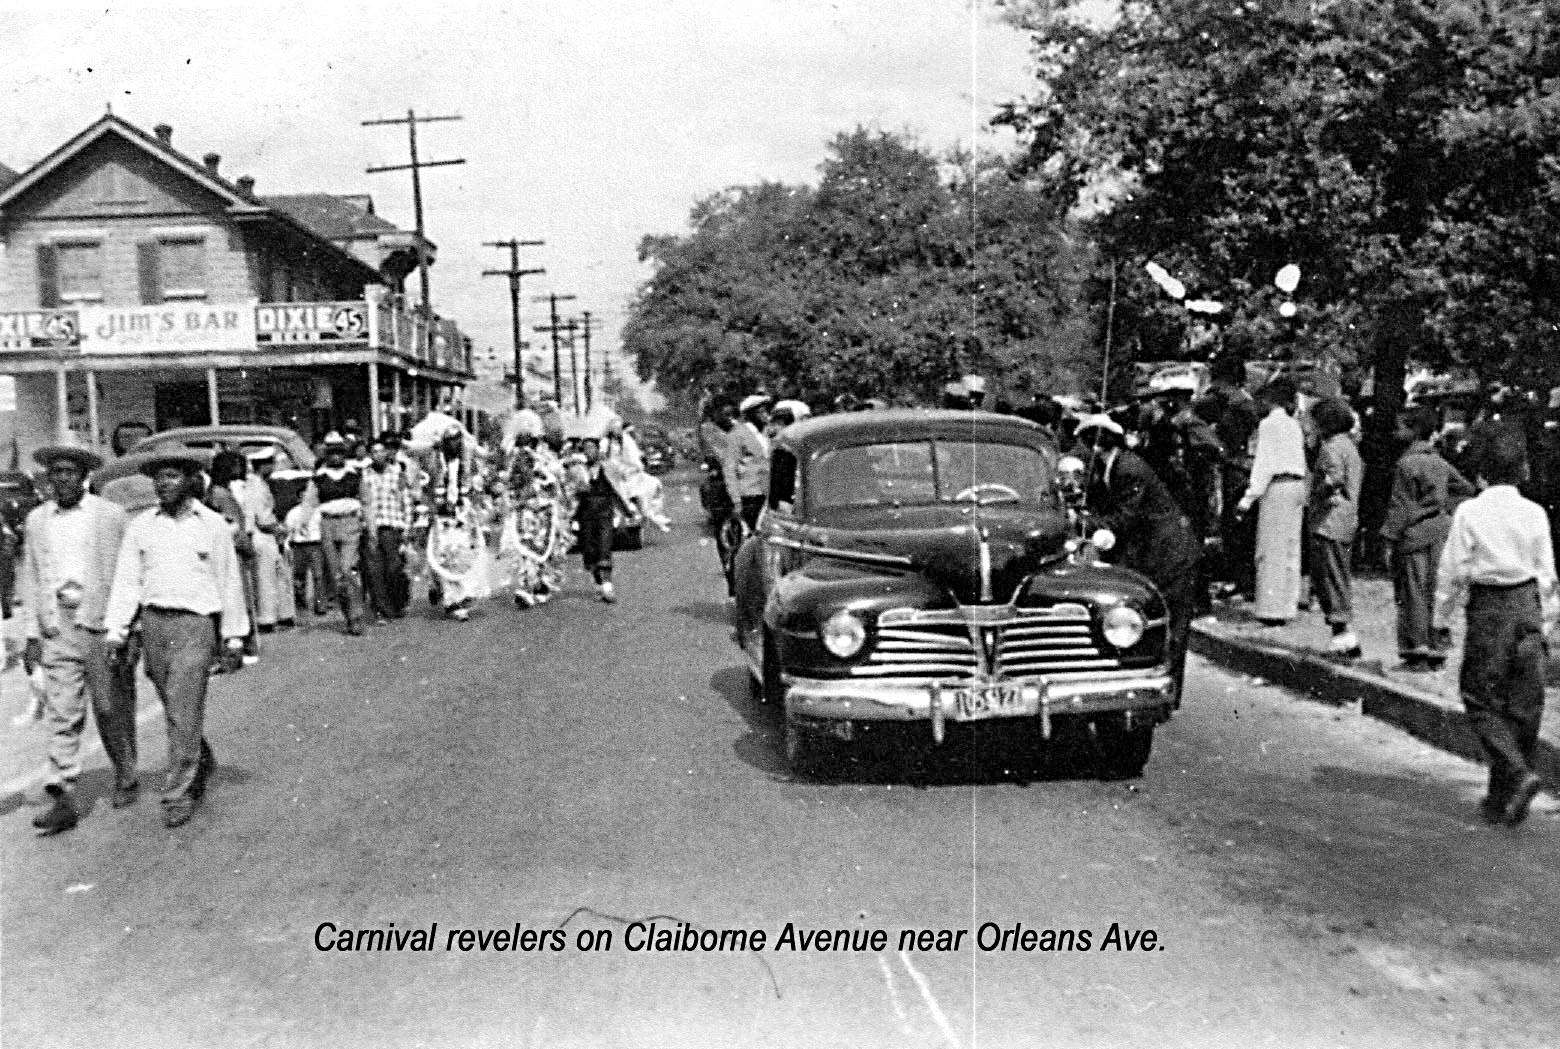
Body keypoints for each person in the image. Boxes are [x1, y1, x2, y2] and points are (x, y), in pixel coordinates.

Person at [104, 452, 249, 828]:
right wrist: (117, 629)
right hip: (154, 625)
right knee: (173, 703)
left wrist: (233, 636)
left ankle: (179, 792)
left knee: (184, 706)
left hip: (195, 625)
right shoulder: (142, 527)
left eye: (170, 476)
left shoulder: (213, 525)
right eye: (158, 478)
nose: (162, 484)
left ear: (189, 480)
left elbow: (229, 581)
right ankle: (198, 754)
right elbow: (126, 580)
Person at [1434, 434, 1558, 825]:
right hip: (1527, 606)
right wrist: (1547, 624)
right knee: (1523, 703)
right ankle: (1500, 796)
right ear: (1522, 470)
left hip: (1489, 607)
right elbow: (1547, 574)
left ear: (1482, 474)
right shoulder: (1535, 513)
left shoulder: (1470, 512)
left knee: (1482, 697)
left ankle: (1517, 775)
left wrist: (1441, 617)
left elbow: (1451, 570)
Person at [17, 445, 136, 835]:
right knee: (62, 711)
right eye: (55, 473)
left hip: (100, 623)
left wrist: (126, 626)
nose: (61, 479)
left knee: (107, 706)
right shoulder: (37, 520)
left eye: (69, 472)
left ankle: (125, 771)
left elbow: (126, 572)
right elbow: (31, 577)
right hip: (58, 625)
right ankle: (64, 791)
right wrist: (32, 635)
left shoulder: (109, 516)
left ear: (84, 475)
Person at [1077, 415, 1200, 705]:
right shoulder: (1116, 466)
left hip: (1170, 552)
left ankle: (1166, 693)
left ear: (1096, 445)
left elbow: (1125, 517)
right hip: (1159, 551)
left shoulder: (1127, 469)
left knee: (1171, 623)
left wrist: (1087, 522)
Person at [1381, 406, 1475, 668]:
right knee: (1436, 590)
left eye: (1399, 427)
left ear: (1412, 430)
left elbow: (1399, 507)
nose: (1394, 431)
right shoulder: (1440, 462)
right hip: (1441, 534)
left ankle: (1417, 647)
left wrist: (1388, 537)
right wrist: (1442, 508)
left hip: (1412, 536)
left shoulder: (1405, 463)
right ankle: (1437, 646)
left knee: (1413, 592)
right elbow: (1466, 489)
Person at [1236, 378, 1308, 624]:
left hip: (1277, 486)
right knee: (1290, 547)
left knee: (1270, 547)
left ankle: (1271, 608)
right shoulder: (1294, 425)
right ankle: (1288, 603)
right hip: (1297, 485)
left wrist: (1249, 497)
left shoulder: (1269, 425)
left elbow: (1264, 464)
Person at [1308, 397, 1365, 657]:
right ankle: (1343, 631)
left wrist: (1316, 490)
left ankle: (1342, 631)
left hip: (1329, 519)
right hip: (1347, 518)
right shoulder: (1350, 447)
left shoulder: (1330, 447)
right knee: (1339, 573)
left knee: (1329, 575)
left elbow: (1332, 480)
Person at [307, 433, 367, 635]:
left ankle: (357, 615)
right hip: (328, 525)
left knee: (347, 568)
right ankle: (349, 616)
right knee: (336, 575)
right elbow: (309, 504)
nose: (335, 458)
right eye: (331, 454)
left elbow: (367, 501)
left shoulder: (354, 475)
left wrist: (370, 525)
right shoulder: (319, 478)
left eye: (339, 453)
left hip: (350, 522)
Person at [569, 437, 632, 603]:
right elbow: (571, 492)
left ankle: (607, 584)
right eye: (586, 449)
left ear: (598, 450)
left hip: (604, 512)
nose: (589, 451)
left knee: (605, 546)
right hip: (586, 514)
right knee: (589, 549)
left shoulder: (608, 467)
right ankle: (598, 582)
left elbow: (618, 489)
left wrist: (626, 513)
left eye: (592, 448)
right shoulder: (578, 470)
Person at [361, 436, 414, 622]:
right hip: (372, 528)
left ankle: (397, 603)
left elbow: (406, 500)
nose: (378, 455)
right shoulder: (364, 475)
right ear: (370, 455)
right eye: (374, 452)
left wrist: (407, 527)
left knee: (394, 569)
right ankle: (381, 611)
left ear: (386, 453)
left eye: (381, 451)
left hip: (393, 527)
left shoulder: (397, 473)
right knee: (375, 571)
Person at [243, 447, 294, 632]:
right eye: (270, 463)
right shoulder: (255, 486)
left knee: (278, 576)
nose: (273, 466)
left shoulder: (260, 484)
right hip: (262, 535)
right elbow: (262, 519)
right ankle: (266, 618)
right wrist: (279, 529)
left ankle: (282, 615)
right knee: (266, 579)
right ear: (262, 465)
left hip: (268, 535)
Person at [725, 395, 771, 531]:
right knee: (755, 531)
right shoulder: (737, 434)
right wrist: (736, 500)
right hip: (750, 494)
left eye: (766, 411)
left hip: (768, 491)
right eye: (761, 412)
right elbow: (729, 468)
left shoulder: (767, 432)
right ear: (751, 415)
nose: (766, 415)